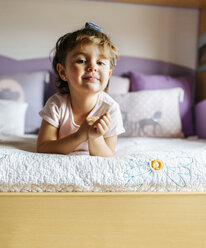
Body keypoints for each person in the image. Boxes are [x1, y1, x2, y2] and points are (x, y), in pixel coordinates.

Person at [37, 22, 125, 157]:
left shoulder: (110, 109)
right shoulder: (56, 105)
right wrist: (79, 135)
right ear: (63, 72)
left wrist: (94, 136)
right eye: (81, 61)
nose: (92, 67)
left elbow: (108, 156)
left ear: (108, 75)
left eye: (100, 62)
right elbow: (43, 147)